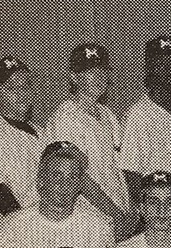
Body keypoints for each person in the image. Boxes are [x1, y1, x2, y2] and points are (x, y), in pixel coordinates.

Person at [46, 43, 135, 237]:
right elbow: (78, 177)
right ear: (74, 77)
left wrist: (128, 213)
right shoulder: (66, 117)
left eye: (102, 70)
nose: (99, 77)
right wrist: (116, 214)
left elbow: (118, 168)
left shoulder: (107, 114)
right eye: (90, 71)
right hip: (88, 216)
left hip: (116, 213)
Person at [0, 57, 41, 243]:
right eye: (12, 88)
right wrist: (27, 230)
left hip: (35, 226)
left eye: (25, 86)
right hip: (8, 232)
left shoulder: (39, 130)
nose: (21, 93)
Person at [117, 36, 171, 196]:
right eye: (161, 65)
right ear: (150, 70)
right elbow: (130, 173)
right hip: (154, 209)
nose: (169, 71)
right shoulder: (138, 115)